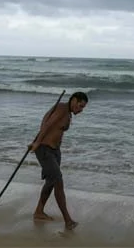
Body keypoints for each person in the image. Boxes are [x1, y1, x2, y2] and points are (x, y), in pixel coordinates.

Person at [28, 91, 88, 230]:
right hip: (45, 149)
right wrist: (37, 143)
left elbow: (50, 124)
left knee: (51, 181)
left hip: (54, 151)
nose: (81, 110)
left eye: (83, 108)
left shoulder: (65, 111)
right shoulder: (62, 109)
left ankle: (39, 212)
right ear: (73, 100)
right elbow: (47, 125)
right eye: (80, 106)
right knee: (58, 181)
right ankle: (68, 220)